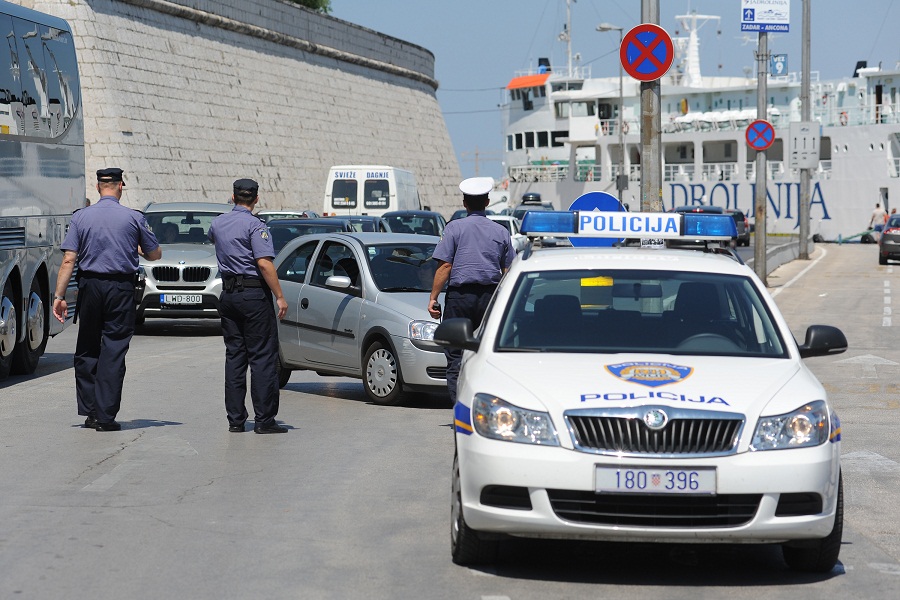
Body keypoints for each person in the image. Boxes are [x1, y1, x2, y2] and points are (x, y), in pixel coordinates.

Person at [52, 168, 162, 431]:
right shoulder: (134, 218)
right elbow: (155, 254)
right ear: (120, 186)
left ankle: (90, 412)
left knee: (88, 346)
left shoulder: (81, 217)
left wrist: (59, 296)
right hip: (121, 288)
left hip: (89, 286)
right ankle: (105, 416)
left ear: (99, 186)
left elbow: (69, 259)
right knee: (113, 349)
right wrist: (137, 250)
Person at [208, 178, 289, 434]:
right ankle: (264, 420)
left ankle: (235, 419)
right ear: (256, 199)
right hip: (253, 296)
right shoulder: (256, 226)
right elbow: (264, 264)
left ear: (232, 197)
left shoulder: (218, 223)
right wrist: (279, 296)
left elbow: (216, 241)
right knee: (263, 358)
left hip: (229, 296)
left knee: (235, 357)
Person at [428, 176, 516, 404]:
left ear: (464, 203)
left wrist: (433, 298)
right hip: (490, 300)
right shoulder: (501, 232)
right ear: (487, 202)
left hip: (459, 299)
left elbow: (445, 266)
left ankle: (460, 410)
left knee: (456, 356)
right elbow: (508, 271)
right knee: (487, 354)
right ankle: (485, 408)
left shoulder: (454, 228)